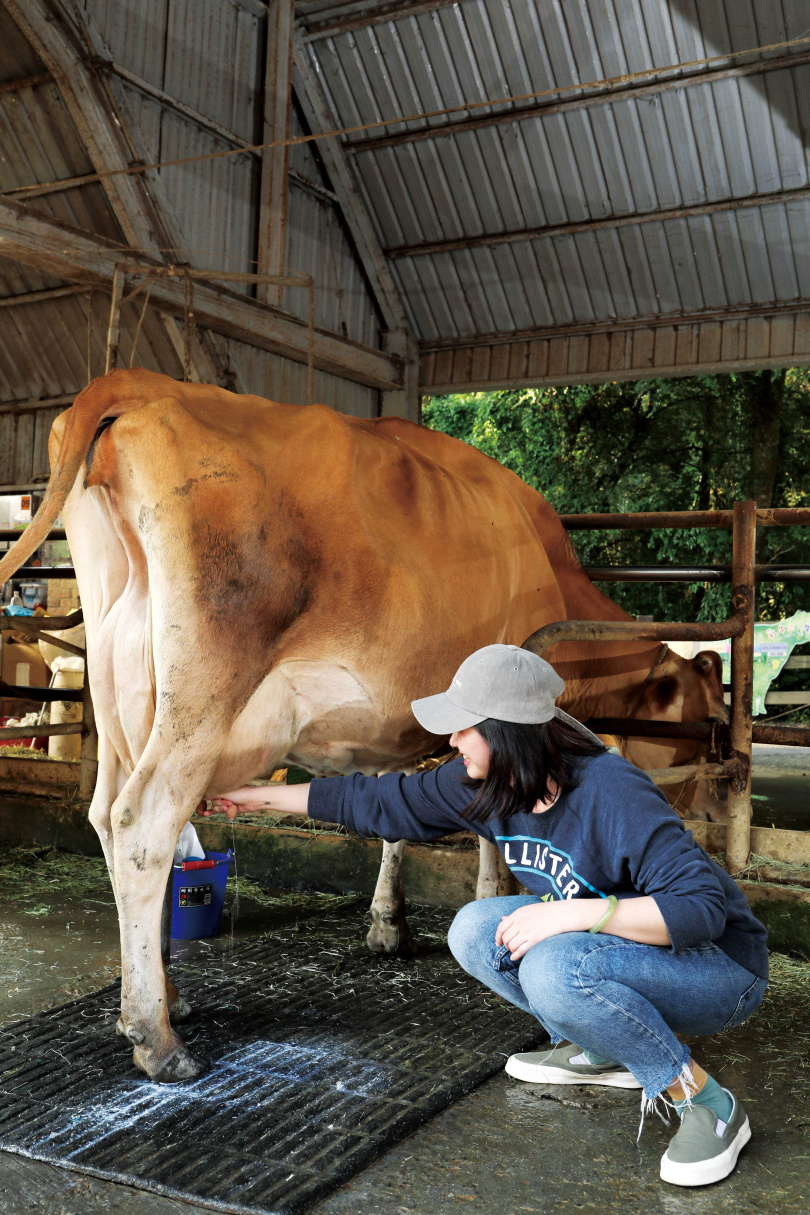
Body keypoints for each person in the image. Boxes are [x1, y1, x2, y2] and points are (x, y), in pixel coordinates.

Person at [199, 643, 767, 1188]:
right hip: (621, 947)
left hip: (720, 968)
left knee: (554, 968)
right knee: (474, 930)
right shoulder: (487, 783)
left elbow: (700, 910)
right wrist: (256, 796)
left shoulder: (609, 792)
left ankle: (709, 1105)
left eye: (466, 726)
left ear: (508, 734)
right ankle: (602, 1047)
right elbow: (380, 800)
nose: (451, 738)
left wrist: (571, 915)